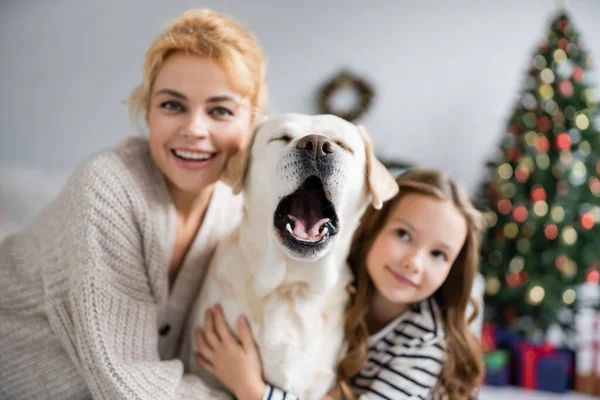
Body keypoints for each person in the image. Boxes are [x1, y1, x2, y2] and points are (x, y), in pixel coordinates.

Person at [0, 8, 267, 399]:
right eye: (172, 105)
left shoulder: (236, 204)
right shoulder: (108, 188)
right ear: (147, 111)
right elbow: (128, 385)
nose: (194, 129)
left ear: (252, 122)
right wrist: (258, 395)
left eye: (220, 111)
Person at [196, 168, 484, 400]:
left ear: (453, 269)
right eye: (403, 235)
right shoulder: (338, 284)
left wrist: (250, 388)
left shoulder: (426, 345)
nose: (414, 262)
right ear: (374, 227)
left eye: (438, 254)